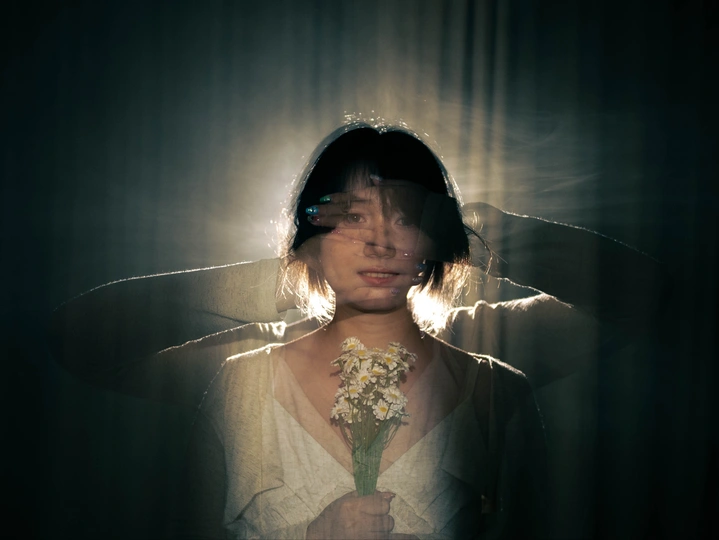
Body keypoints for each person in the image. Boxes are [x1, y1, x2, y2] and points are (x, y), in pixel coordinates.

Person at [49, 123, 666, 539]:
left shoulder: (484, 357)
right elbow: (83, 337)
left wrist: (477, 232)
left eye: (405, 217)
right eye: (348, 217)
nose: (379, 240)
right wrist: (290, 272)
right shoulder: (245, 369)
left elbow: (642, 295)